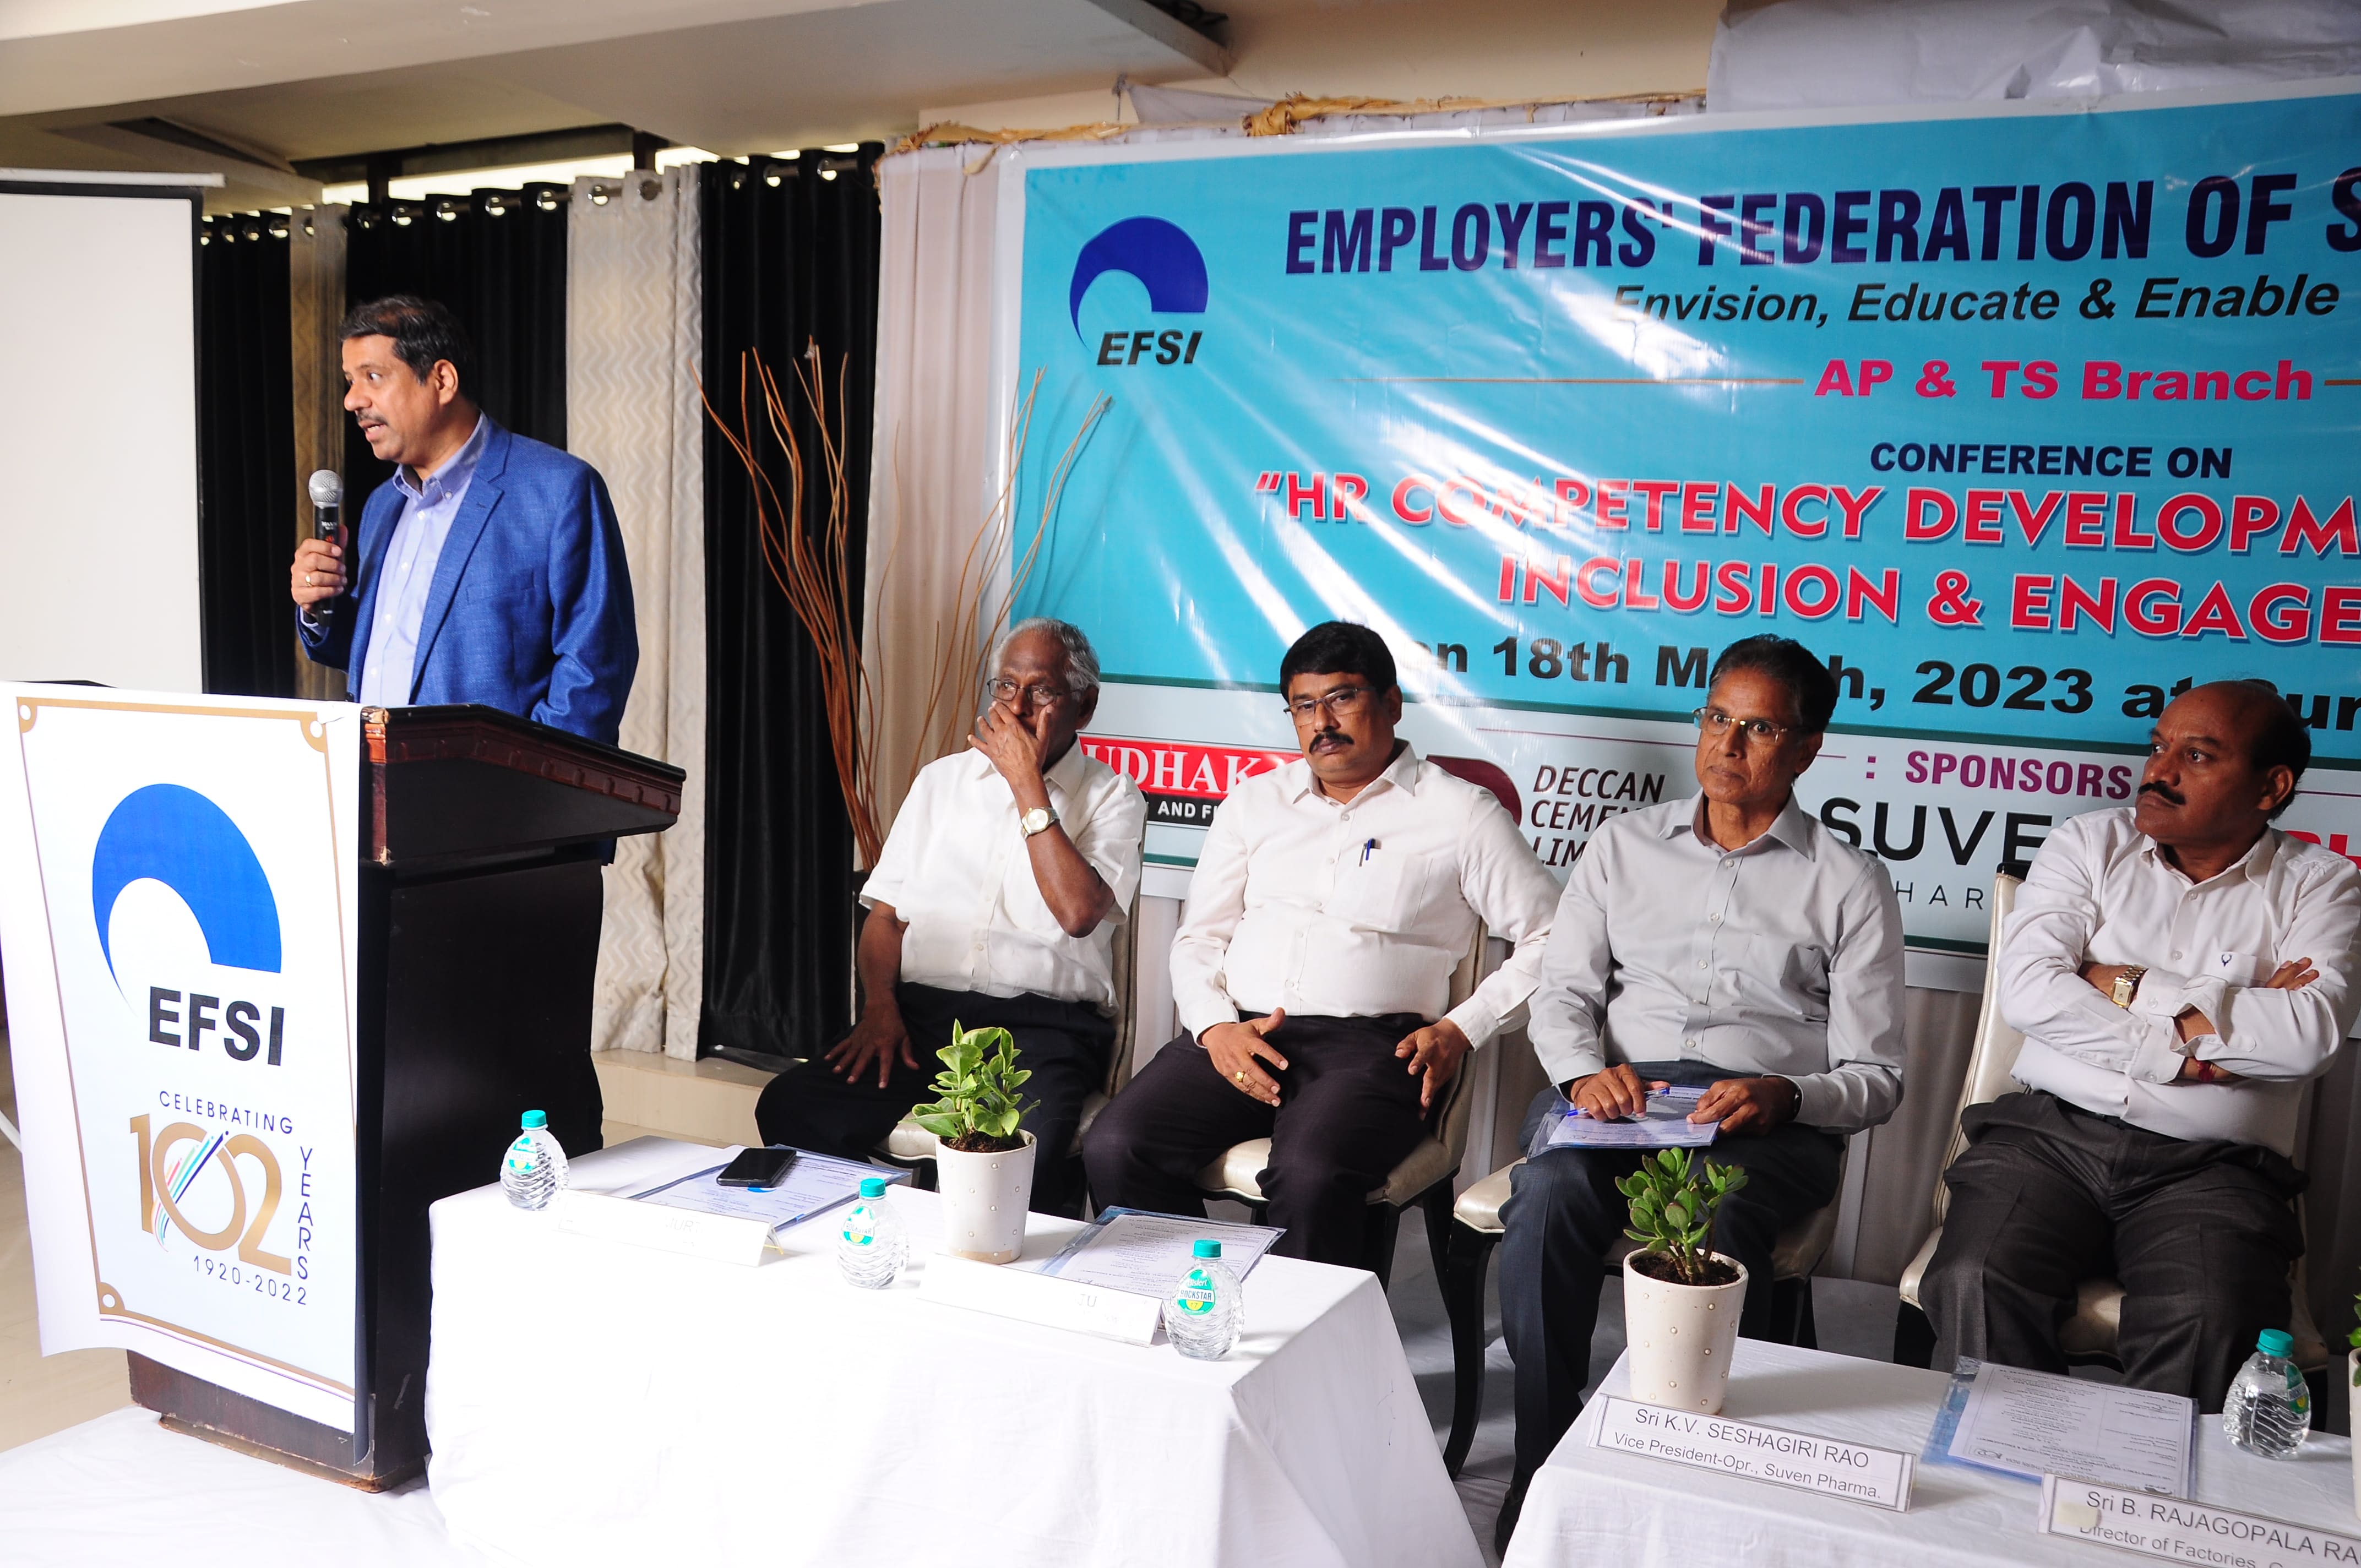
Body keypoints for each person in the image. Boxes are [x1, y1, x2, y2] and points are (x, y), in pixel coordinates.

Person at [1495, 634, 1905, 1550]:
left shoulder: (1848, 882)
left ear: (1806, 749)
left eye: (1758, 728)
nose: (1727, 743)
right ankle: (1543, 1454)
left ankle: (1697, 1473)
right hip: (1621, 1098)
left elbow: (1877, 1077)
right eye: (1717, 718)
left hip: (1761, 1122)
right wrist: (1580, 1071)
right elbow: (1560, 996)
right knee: (1549, 1193)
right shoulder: (1621, 847)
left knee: (1718, 1215)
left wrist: (1787, 1095)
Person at [1922, 680, 2361, 1409]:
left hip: (2213, 1170)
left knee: (2210, 1314)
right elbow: (2027, 990)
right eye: (2159, 747)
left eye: (2197, 755)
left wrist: (2117, 981)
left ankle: (2147, 1483)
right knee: (1976, 1276)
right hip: (2049, 1140)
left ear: (2271, 787)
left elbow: (2306, 1037)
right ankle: (2008, 1466)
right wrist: (2195, 1038)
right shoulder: (2088, 844)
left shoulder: (2321, 885)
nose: (2158, 771)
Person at [1084, 620, 1558, 1266]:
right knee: (1117, 1143)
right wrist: (1214, 1029)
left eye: (1341, 698)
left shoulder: (1460, 812)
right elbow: (1199, 937)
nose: (1321, 722)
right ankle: (1196, 1303)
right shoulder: (1254, 802)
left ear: (1391, 703)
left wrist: (1461, 1029)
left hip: (1369, 1051)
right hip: (1243, 1032)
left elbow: (1551, 938)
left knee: (1309, 1173)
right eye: (1304, 706)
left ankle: (1301, 1331)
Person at [754, 618, 1145, 1215]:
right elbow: (886, 918)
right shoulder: (941, 782)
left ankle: (998, 1267)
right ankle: (873, 1238)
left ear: (1084, 705)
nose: (1017, 706)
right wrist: (881, 1007)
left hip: (1041, 1033)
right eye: (1005, 686)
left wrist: (1027, 783)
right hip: (922, 1023)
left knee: (1021, 1156)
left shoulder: (1112, 796)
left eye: (1041, 690)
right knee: (793, 1104)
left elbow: (1077, 913)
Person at [290, 295, 637, 745]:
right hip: (375, 773)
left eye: (372, 377)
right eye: (350, 381)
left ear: (442, 380)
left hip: (496, 783)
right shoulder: (381, 505)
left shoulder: (559, 489)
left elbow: (596, 665)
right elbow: (382, 650)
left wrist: (529, 771)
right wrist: (319, 606)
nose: (353, 400)